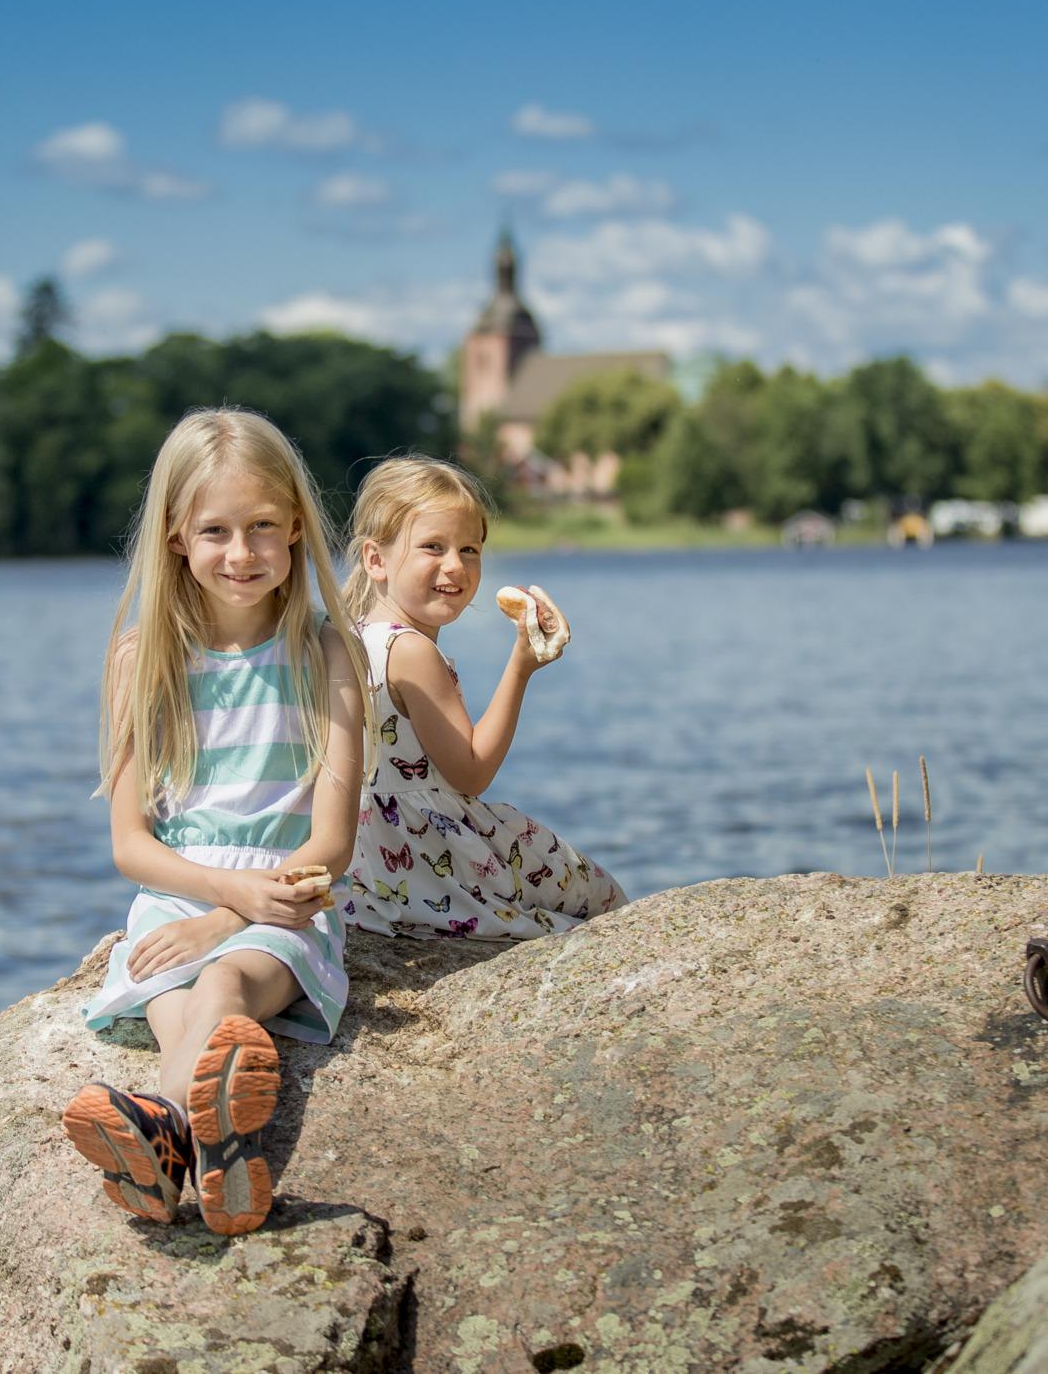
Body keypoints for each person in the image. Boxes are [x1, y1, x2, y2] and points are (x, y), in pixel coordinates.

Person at [62, 408, 365, 1238]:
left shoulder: (327, 654)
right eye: (217, 530)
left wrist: (234, 914)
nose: (242, 552)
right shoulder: (140, 659)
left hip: (286, 895)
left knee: (224, 987)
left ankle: (164, 1135)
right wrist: (204, 907)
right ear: (174, 537)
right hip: (174, 898)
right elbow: (131, 846)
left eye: (263, 526)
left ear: (297, 525)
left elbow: (331, 845)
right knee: (180, 997)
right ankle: (209, 1145)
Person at [335, 455, 625, 940]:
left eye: (469, 548)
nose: (456, 565)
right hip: (422, 851)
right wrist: (521, 665)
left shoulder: (348, 637)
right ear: (375, 559)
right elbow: (471, 773)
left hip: (364, 858)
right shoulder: (410, 651)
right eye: (433, 547)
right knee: (600, 899)